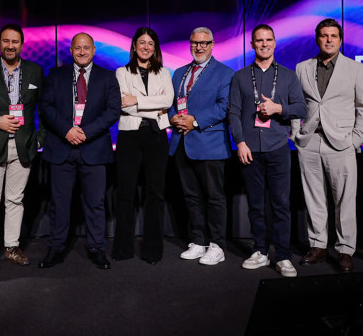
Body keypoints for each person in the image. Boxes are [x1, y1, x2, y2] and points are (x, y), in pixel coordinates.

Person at [293, 18, 363, 273]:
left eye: (333, 36)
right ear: (317, 39)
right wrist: (296, 134)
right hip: (310, 141)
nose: (329, 40)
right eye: (324, 36)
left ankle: (345, 249)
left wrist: (356, 139)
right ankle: (317, 245)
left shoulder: (355, 68)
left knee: (344, 199)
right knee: (313, 197)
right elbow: (295, 103)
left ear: (340, 39)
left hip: (341, 143)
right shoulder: (302, 67)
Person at [38, 33, 121, 269]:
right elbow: (46, 107)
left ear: (94, 50)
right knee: (59, 203)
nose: (82, 52)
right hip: (61, 148)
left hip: (94, 148)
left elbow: (113, 110)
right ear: (71, 50)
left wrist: (85, 132)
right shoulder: (56, 75)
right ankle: (56, 248)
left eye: (86, 48)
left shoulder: (107, 77)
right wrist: (67, 130)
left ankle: (97, 249)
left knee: (96, 203)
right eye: (77, 48)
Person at [229, 24, 306, 277]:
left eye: (268, 40)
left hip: (278, 147)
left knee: (281, 204)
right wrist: (240, 142)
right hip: (249, 149)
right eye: (259, 40)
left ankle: (283, 256)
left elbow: (301, 108)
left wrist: (278, 109)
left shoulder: (288, 76)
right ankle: (260, 251)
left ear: (274, 43)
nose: (264, 44)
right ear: (252, 44)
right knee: (256, 204)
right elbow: (234, 113)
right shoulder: (240, 76)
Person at [0, 24, 44, 271]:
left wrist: (40, 139)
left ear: (22, 45)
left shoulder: (35, 71)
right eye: (6, 41)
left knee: (15, 200)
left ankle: (12, 247)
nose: (10, 46)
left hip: (23, 146)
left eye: (15, 42)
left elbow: (45, 108)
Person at [169, 28, 235, 266]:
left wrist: (194, 121)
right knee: (191, 196)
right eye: (195, 43)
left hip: (210, 144)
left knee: (214, 197)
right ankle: (198, 240)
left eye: (204, 43)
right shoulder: (179, 73)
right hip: (182, 143)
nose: (199, 47)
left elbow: (224, 107)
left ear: (212, 44)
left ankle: (217, 245)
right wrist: (173, 117)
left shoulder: (225, 73)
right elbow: (172, 103)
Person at [113, 27, 174, 264]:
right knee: (125, 193)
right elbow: (123, 104)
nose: (146, 47)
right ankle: (123, 249)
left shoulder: (164, 72)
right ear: (134, 46)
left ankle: (152, 250)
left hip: (157, 136)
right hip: (129, 136)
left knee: (155, 193)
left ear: (155, 48)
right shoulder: (122, 72)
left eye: (150, 43)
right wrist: (154, 107)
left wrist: (137, 100)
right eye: (142, 42)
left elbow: (168, 100)